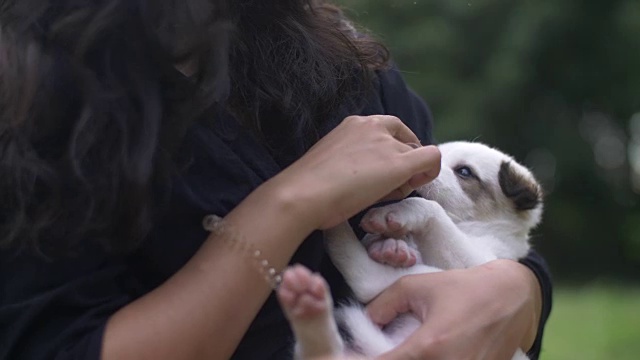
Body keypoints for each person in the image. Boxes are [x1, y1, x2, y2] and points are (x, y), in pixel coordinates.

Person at [0, 0, 552, 359]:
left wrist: (519, 295)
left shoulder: (343, 60)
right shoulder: (31, 95)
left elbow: (490, 241)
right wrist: (289, 204)